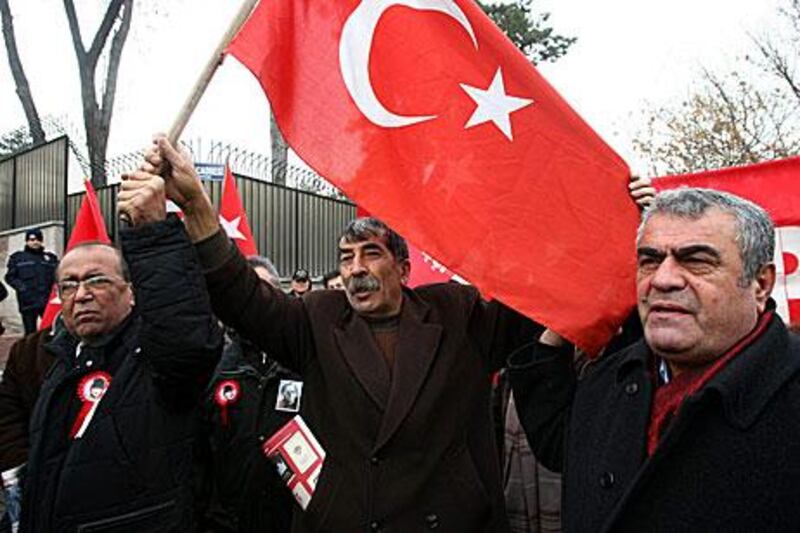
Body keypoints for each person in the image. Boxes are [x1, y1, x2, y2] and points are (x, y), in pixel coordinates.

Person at [136, 136, 547, 532]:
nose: (355, 269)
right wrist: (197, 209)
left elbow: (536, 306)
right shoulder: (318, 317)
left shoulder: (457, 313)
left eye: (371, 254)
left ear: (403, 270)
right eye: (346, 258)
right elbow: (243, 298)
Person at [509, 188, 800, 531]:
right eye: (649, 259)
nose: (662, 279)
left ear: (760, 284)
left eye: (697, 260)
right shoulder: (604, 383)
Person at [20, 173, 222, 532]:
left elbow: (187, 340)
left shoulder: (153, 357)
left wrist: (152, 234)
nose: (81, 294)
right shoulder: (59, 361)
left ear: (130, 292)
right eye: (69, 284)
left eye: (97, 280)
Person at [199, 255, 302, 533]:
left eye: (260, 291)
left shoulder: (307, 359)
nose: (252, 303)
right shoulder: (212, 366)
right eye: (243, 293)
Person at [4, 228, 58, 334]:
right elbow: (10, 277)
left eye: (38, 239)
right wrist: (22, 288)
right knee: (30, 332)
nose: (35, 242)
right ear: (27, 241)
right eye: (32, 239)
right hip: (28, 302)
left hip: (46, 301)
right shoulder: (18, 258)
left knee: (51, 330)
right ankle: (30, 350)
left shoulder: (50, 258)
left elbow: (57, 276)